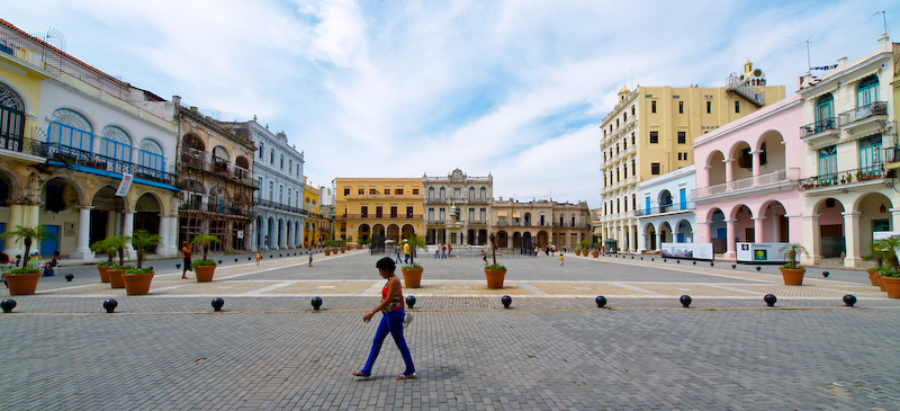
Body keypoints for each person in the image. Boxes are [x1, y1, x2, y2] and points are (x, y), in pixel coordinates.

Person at [352, 257, 416, 380]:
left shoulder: (393, 281)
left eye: (381, 271)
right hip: (388, 315)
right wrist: (404, 312)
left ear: (387, 270)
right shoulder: (390, 280)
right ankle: (367, 370)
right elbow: (401, 298)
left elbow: (388, 301)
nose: (379, 273)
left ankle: (410, 369)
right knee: (377, 340)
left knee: (400, 342)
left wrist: (372, 312)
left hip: (393, 315)